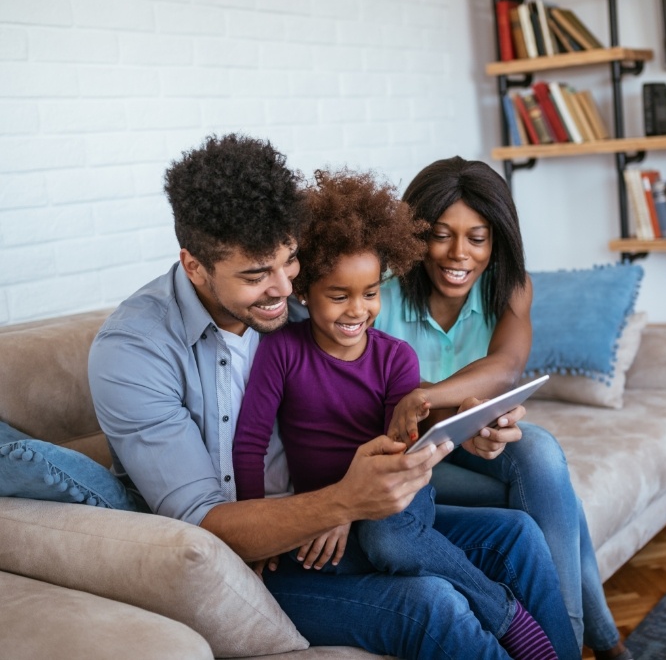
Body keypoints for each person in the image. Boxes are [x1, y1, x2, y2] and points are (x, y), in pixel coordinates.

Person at [88, 134, 579, 659]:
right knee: (432, 603)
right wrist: (341, 501)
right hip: (256, 559)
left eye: (290, 261)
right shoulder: (134, 353)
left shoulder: (297, 308)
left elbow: (377, 407)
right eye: (256, 275)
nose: (282, 289)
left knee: (519, 539)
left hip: (339, 517)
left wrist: (469, 420)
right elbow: (205, 525)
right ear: (194, 266)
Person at [232, 168, 571, 660]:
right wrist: (268, 524)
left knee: (389, 536)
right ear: (304, 291)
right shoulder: (282, 351)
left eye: (370, 294)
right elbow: (249, 443)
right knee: (351, 547)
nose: (357, 310)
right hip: (328, 501)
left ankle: (500, 612)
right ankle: (502, 608)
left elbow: (401, 445)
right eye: (338, 295)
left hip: (399, 493)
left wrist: (353, 504)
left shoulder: (396, 357)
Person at [374, 156, 632, 660]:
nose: (458, 254)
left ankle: (572, 642)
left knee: (538, 453)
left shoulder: (510, 286)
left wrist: (429, 395)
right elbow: (378, 403)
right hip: (411, 455)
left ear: (498, 239)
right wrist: (446, 406)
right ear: (415, 235)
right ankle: (595, 642)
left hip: (468, 437)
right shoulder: (379, 295)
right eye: (440, 234)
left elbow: (507, 367)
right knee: (556, 493)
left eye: (477, 237)